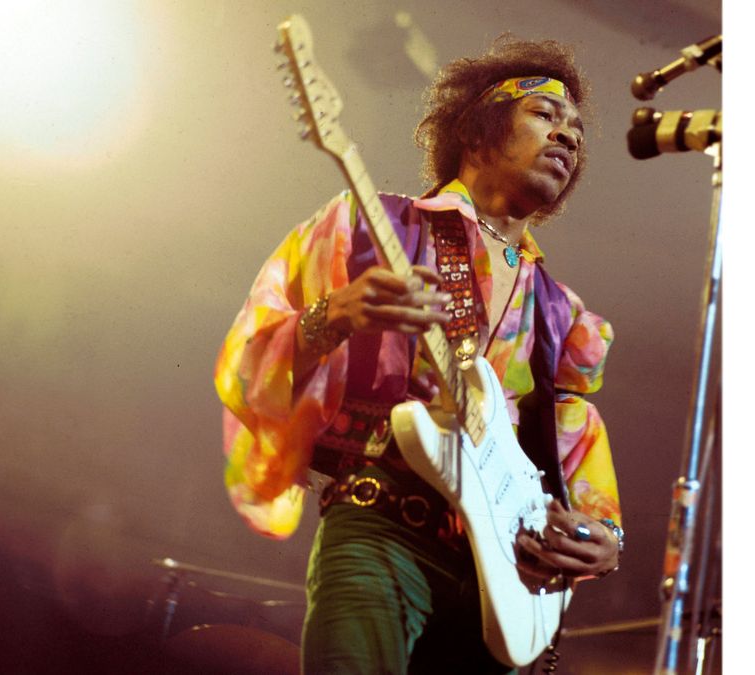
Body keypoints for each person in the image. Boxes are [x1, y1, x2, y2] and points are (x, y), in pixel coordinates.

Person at [214, 35, 624, 674]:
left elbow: (573, 448)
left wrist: (602, 538)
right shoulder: (369, 226)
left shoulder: (561, 312)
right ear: (478, 131)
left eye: (575, 130)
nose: (568, 137)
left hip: (502, 577)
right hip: (382, 529)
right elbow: (247, 359)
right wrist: (337, 315)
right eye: (546, 115)